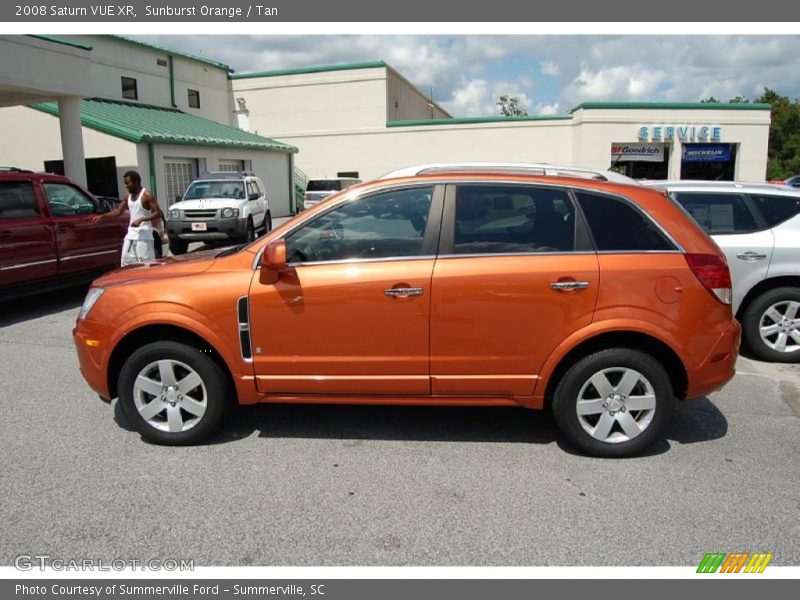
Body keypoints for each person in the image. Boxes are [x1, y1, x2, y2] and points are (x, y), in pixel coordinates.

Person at [92, 170, 163, 266]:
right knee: (126, 264)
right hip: (130, 236)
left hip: (144, 237)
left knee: (146, 265)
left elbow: (158, 212)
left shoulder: (146, 195)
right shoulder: (127, 197)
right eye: (125, 183)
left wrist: (141, 219)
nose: (126, 186)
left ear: (136, 182)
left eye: (128, 183)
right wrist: (102, 216)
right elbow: (118, 212)